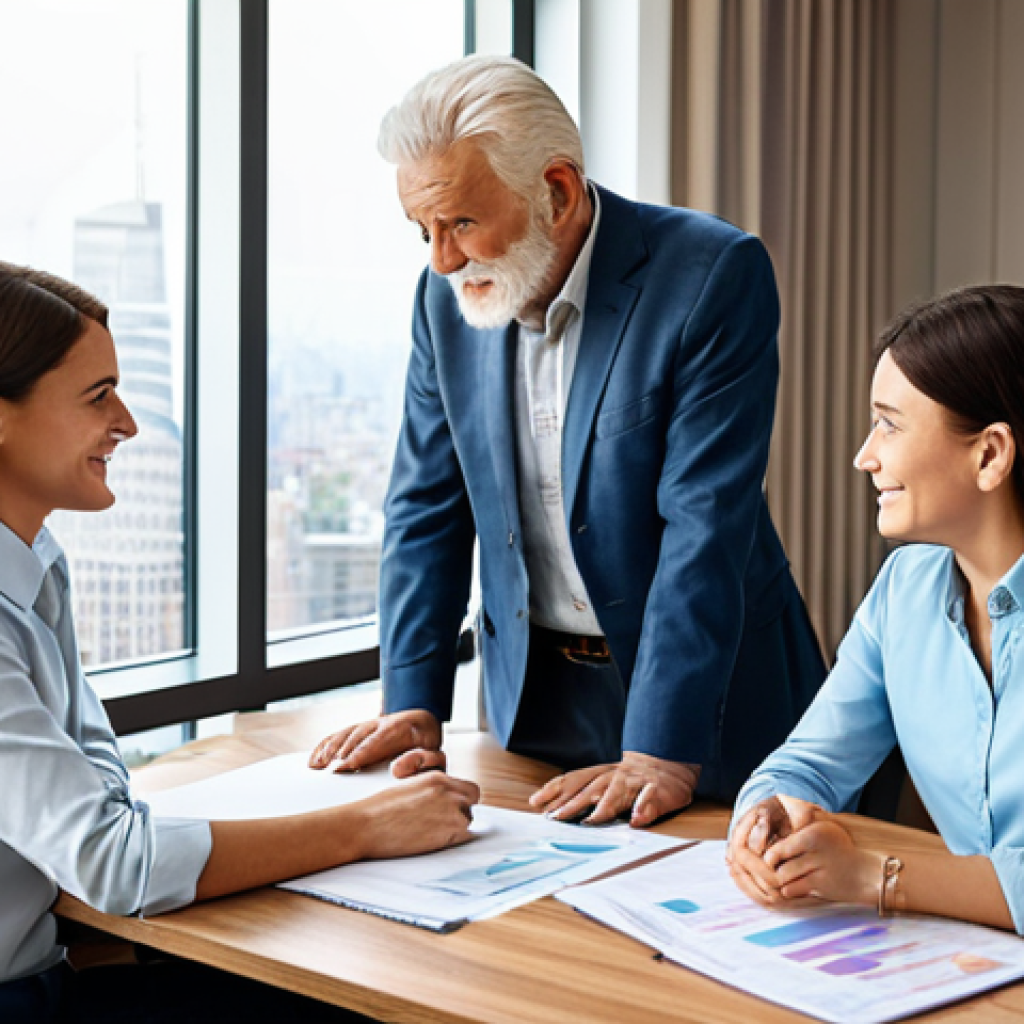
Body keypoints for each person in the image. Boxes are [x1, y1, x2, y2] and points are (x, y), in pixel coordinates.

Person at [311, 55, 825, 825]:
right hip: (535, 698)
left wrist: (657, 748)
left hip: (706, 700)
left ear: (555, 191)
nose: (442, 261)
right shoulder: (442, 298)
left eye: (460, 225)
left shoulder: (713, 274)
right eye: (423, 230)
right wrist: (414, 702)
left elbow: (705, 524)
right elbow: (425, 508)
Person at [0, 262, 480, 1023]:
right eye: (98, 397)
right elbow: (112, 862)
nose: (126, 422)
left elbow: (104, 783)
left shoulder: (36, 564)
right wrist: (364, 828)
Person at [727, 284, 1024, 933]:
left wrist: (871, 875)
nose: (865, 456)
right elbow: (807, 764)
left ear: (990, 454)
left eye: (889, 423)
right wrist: (765, 822)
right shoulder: (904, 590)